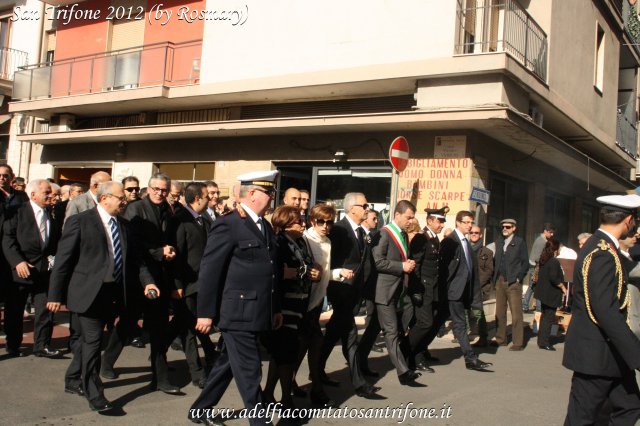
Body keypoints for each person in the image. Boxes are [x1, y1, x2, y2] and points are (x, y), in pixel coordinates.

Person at [46, 181, 156, 412]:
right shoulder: (80, 221)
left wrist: (149, 283)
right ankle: (95, 394)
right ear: (104, 198)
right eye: (120, 197)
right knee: (94, 342)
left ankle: (73, 378)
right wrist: (54, 295)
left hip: (114, 294)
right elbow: (63, 262)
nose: (124, 201)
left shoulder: (124, 226)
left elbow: (136, 260)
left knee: (90, 343)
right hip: (88, 293)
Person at [189, 171, 281, 426]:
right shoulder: (228, 223)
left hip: (258, 309)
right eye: (268, 192)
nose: (272, 197)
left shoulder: (264, 225)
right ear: (252, 194)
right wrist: (205, 313)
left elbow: (270, 271)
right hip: (238, 311)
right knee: (251, 371)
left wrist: (275, 308)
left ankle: (200, 409)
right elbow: (209, 270)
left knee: (229, 364)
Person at [563, 194, 640, 425]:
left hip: (610, 354)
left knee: (630, 405)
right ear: (628, 220)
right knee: (581, 418)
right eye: (636, 220)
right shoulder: (602, 254)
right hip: (595, 354)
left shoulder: (605, 248)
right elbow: (605, 310)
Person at [101, 173, 180, 394]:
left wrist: (170, 251)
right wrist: (158, 252)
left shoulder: (169, 210)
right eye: (156, 189)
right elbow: (132, 245)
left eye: (164, 190)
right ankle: (107, 362)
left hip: (160, 276)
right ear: (148, 188)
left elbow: (169, 238)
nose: (160, 193)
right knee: (127, 323)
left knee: (158, 327)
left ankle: (160, 377)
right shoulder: (136, 208)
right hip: (138, 277)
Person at [319, 192, 380, 398]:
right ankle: (359, 382)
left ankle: (316, 369)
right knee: (351, 336)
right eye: (364, 205)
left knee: (333, 335)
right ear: (352, 208)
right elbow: (331, 262)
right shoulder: (339, 230)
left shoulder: (360, 232)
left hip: (354, 293)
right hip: (341, 292)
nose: (367, 208)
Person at [262, 206, 321, 412]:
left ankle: (268, 393)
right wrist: (299, 273)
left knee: (283, 352)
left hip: (301, 302)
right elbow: (279, 273)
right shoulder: (279, 242)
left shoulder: (301, 241)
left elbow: (308, 266)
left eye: (302, 220)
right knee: (285, 352)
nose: (302, 224)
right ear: (285, 224)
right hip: (285, 303)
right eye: (298, 222)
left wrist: (313, 272)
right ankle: (286, 399)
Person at [166, 182, 218, 388]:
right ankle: (197, 373)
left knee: (184, 324)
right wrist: (176, 285)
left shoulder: (202, 220)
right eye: (207, 195)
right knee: (188, 329)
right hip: (185, 285)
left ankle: (158, 352)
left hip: (201, 283)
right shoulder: (179, 221)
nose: (211, 199)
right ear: (197, 198)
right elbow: (176, 256)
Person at [2, 179, 61, 358]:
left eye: (51, 192)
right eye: (46, 192)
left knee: (45, 310)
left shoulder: (50, 214)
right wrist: (17, 262)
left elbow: (53, 243)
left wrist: (54, 259)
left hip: (43, 272)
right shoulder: (17, 213)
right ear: (33, 194)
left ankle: (42, 345)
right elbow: (8, 240)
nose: (51, 195)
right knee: (15, 310)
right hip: (21, 270)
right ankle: (13, 344)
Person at [370, 200, 421, 385]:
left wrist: (408, 264)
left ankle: (359, 361)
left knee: (372, 332)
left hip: (397, 291)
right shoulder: (384, 234)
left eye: (413, 218)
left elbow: (401, 259)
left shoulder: (404, 235)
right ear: (397, 215)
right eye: (408, 217)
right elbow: (378, 262)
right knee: (391, 331)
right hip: (383, 292)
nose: (411, 221)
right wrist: (402, 266)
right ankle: (403, 372)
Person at [439, 210, 492, 371]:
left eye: (471, 222)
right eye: (467, 222)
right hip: (453, 292)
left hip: (463, 292)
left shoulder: (466, 242)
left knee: (438, 324)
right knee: (459, 325)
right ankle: (470, 358)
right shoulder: (450, 241)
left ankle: (416, 352)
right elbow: (444, 270)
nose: (470, 226)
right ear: (458, 223)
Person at [302, 203, 337, 407]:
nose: (325, 226)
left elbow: (324, 273)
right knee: (304, 348)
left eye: (329, 222)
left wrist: (338, 273)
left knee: (311, 346)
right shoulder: (306, 239)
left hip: (316, 303)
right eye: (320, 222)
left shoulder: (328, 242)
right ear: (312, 221)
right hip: (304, 302)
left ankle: (314, 389)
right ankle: (314, 391)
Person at [406, 207, 447, 371]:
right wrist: (415, 290)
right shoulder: (420, 238)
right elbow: (416, 266)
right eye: (440, 221)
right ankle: (405, 351)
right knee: (424, 323)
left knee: (432, 323)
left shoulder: (434, 238)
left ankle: (419, 354)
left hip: (432, 288)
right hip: (423, 288)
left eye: (443, 221)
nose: (442, 225)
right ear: (430, 221)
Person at [491, 218, 529, 351]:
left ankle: (518, 342)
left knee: (516, 313)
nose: (505, 229)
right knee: (500, 312)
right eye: (503, 227)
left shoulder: (519, 242)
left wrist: (519, 278)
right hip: (499, 281)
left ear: (514, 228)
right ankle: (501, 339)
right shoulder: (499, 241)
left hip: (513, 282)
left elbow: (525, 263)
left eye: (508, 227)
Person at [533, 239, 565, 351]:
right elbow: (554, 277)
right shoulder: (553, 261)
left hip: (543, 292)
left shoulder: (544, 259)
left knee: (544, 316)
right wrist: (562, 286)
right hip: (550, 293)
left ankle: (541, 340)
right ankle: (544, 342)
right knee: (548, 318)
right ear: (555, 249)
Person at [468, 225, 493, 347]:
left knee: (478, 312)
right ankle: (463, 335)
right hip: (466, 286)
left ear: (481, 235)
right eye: (471, 232)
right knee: (465, 311)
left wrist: (476, 284)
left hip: (480, 288)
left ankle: (483, 337)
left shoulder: (487, 252)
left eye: (476, 233)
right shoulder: (465, 249)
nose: (473, 234)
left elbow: (488, 271)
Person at [524, 223, 555, 313]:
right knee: (536, 287)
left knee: (533, 287)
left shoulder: (541, 239)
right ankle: (536, 307)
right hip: (536, 267)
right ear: (545, 231)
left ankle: (527, 306)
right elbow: (537, 257)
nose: (552, 234)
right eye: (550, 232)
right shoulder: (542, 241)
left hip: (535, 266)